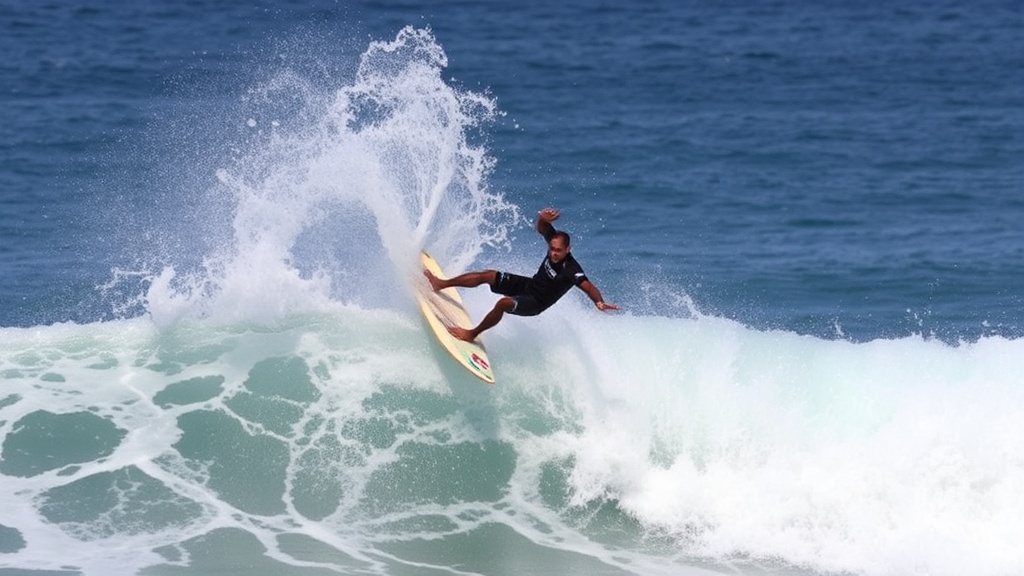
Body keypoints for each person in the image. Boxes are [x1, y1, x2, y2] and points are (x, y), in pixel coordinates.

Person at [425, 207, 619, 342]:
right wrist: (543, 218)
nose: (553, 253)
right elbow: (542, 228)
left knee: (503, 303)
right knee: (489, 275)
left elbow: (588, 286)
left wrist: (599, 302)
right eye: (552, 249)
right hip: (529, 286)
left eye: (558, 251)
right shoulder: (553, 242)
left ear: (568, 250)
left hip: (535, 303)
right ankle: (440, 284)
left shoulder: (571, 269)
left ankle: (471, 334)